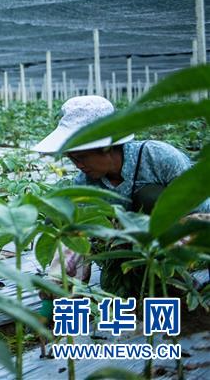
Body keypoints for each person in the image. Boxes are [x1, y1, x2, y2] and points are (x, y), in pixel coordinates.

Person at [32, 95, 208, 285]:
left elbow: (200, 209)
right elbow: (78, 236)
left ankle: (180, 278)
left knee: (149, 196)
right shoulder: (85, 184)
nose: (78, 165)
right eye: (72, 159)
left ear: (106, 147)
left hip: (184, 241)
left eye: (81, 157)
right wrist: (60, 277)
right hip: (127, 256)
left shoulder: (158, 157)